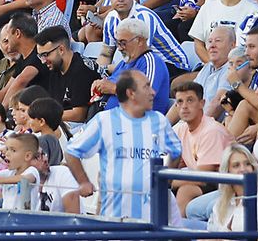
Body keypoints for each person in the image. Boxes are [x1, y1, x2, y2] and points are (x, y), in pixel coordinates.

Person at [64, 69, 180, 220]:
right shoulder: (104, 121)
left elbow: (176, 151)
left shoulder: (159, 120)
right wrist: (83, 182)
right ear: (131, 93)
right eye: (146, 87)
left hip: (153, 212)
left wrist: (164, 182)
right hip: (115, 213)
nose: (153, 92)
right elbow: (71, 152)